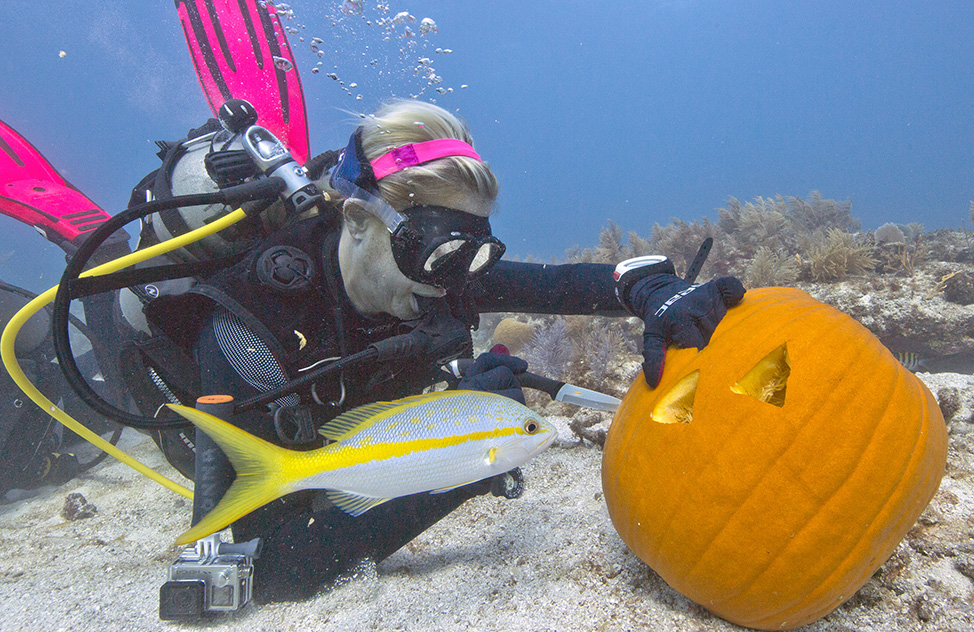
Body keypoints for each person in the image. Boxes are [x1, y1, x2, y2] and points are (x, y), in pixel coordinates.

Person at [132, 98, 745, 602]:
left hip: (348, 447)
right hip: (214, 419)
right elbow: (278, 567)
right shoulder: (254, 318)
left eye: (470, 256)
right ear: (356, 221)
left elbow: (560, 285)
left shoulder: (438, 275)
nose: (449, 282)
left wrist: (650, 288)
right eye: (434, 253)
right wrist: (468, 466)